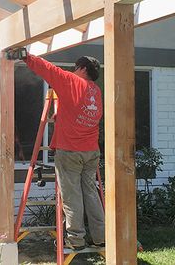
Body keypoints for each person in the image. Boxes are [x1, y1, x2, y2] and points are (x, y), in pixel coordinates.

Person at [20, 50, 105, 250]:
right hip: (91, 152)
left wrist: (25, 56)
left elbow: (47, 69)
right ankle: (101, 237)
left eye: (76, 68)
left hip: (70, 152)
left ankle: (75, 240)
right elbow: (79, 112)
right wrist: (61, 115)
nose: (72, 71)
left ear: (83, 69)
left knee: (72, 196)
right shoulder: (96, 91)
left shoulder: (71, 81)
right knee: (91, 193)